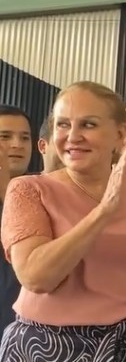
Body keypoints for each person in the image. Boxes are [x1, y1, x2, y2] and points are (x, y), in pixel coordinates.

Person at [0, 81, 126, 361]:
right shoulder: (29, 189)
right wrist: (104, 212)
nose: (73, 136)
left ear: (120, 134)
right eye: (63, 124)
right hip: (48, 349)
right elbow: (36, 277)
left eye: (88, 125)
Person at [0, 105, 33, 332]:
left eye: (25, 138)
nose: (17, 145)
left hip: (27, 336)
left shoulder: (45, 193)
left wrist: (7, 193)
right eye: (5, 136)